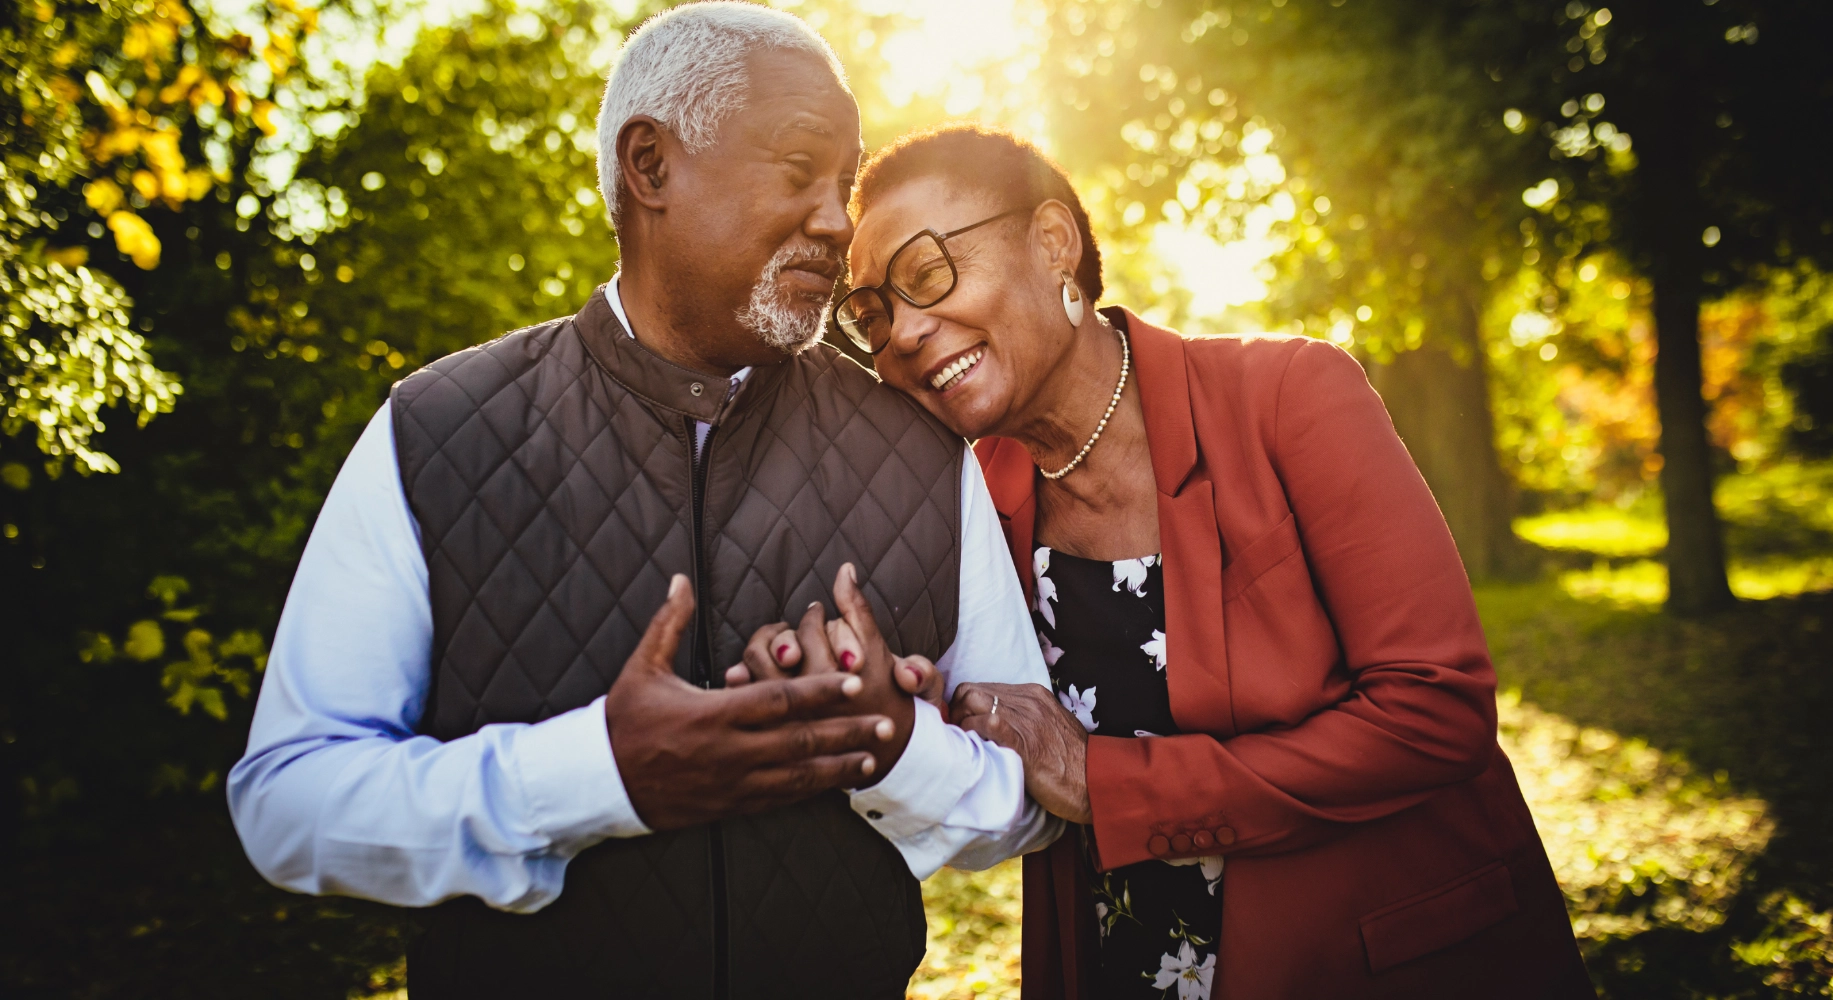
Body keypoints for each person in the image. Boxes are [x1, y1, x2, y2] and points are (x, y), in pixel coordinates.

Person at [226, 10, 1060, 998]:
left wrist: (890, 745)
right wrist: (599, 775)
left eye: (845, 182)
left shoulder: (924, 452)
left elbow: (1029, 804)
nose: (840, 221)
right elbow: (288, 806)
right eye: (800, 170)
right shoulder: (435, 430)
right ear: (650, 166)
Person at [834, 123, 1594, 999]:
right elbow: (991, 746)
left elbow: (1435, 710)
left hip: (1375, 960)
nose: (903, 332)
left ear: (1052, 243)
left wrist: (1106, 783)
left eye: (926, 274)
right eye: (872, 314)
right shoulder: (966, 502)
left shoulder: (1292, 398)